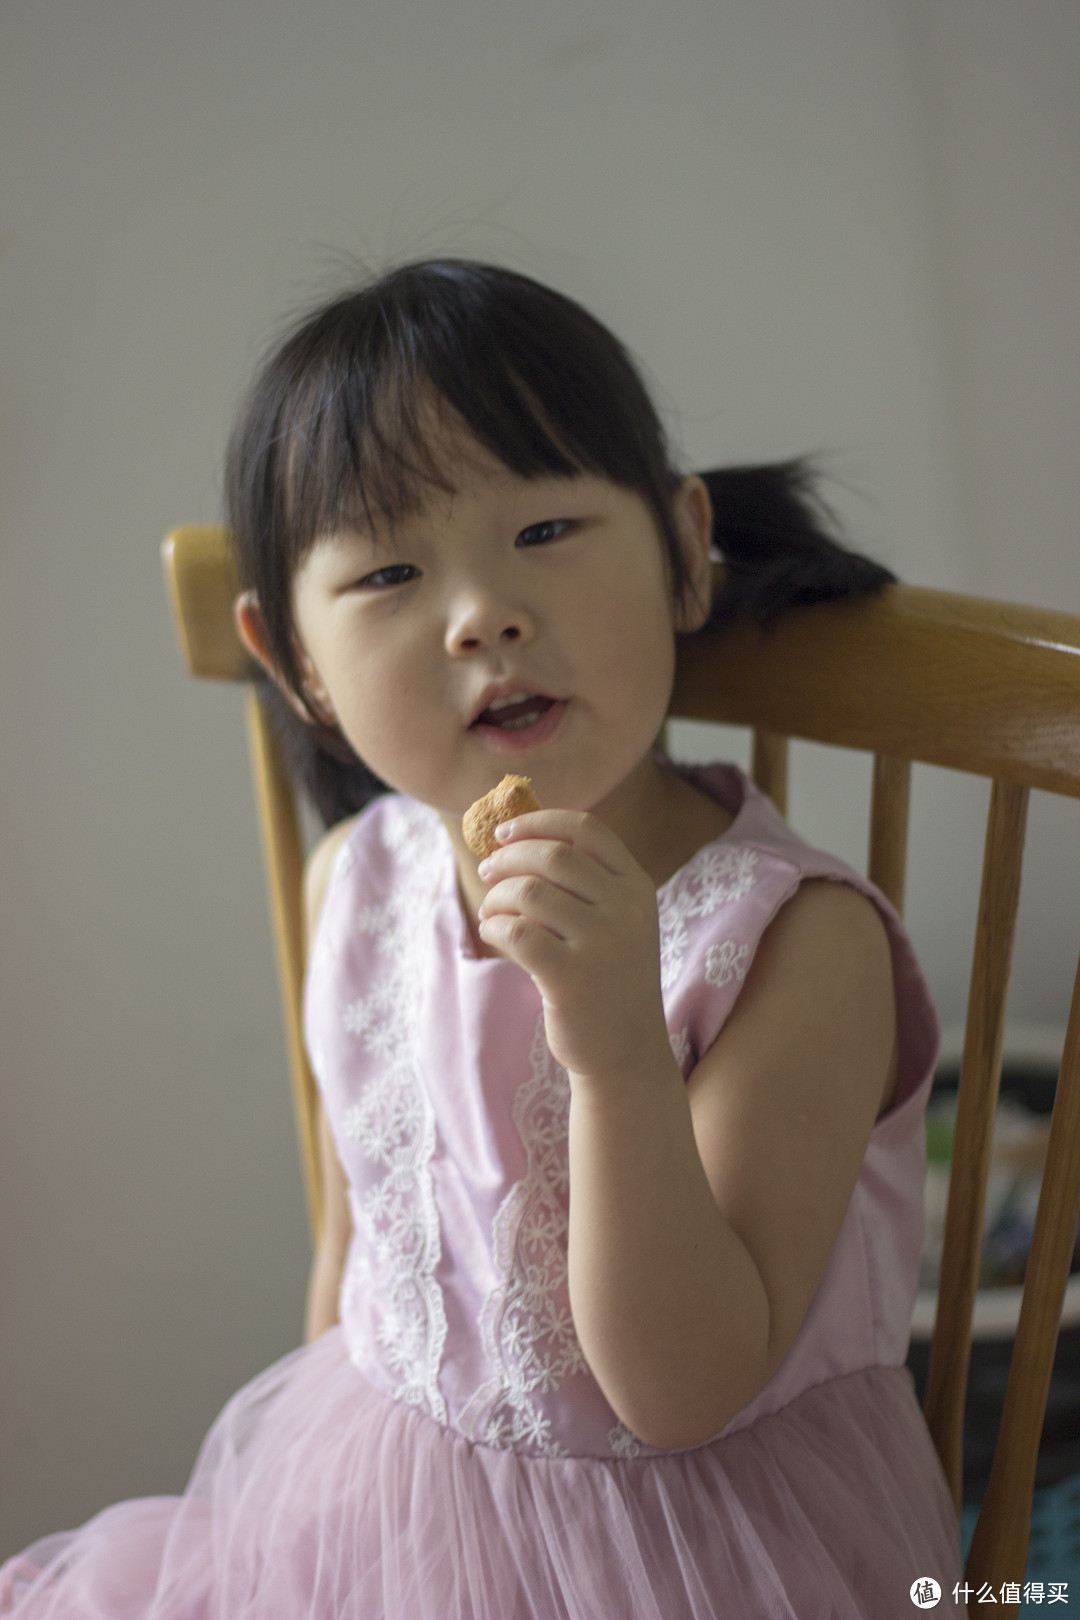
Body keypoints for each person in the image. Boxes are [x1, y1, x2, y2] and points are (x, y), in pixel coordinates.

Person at [1, 259, 964, 1618]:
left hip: (703, 1557)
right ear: (297, 665)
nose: (484, 615)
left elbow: (681, 1393)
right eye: (392, 571)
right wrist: (320, 1538)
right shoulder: (359, 880)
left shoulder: (794, 948)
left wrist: (619, 1046)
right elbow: (362, 1271)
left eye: (547, 530)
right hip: (394, 1510)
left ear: (687, 554)